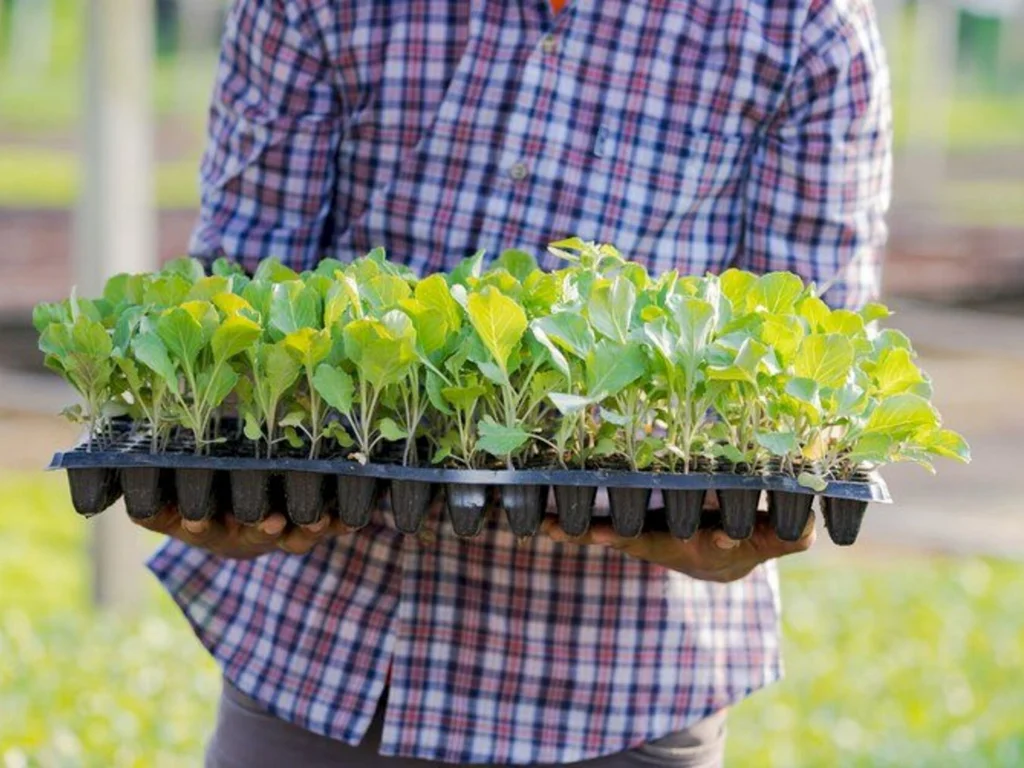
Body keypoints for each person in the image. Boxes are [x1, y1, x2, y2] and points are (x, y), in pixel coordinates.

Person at [138, 0, 891, 765]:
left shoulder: (804, 24)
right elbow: (239, 292)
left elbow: (807, 352)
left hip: (622, 688)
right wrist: (218, 477)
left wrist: (756, 513)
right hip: (328, 663)